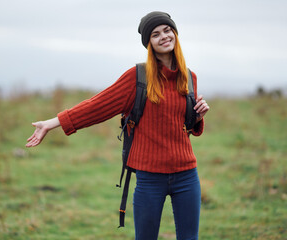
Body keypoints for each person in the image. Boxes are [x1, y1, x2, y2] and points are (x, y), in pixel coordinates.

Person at [26, 11, 209, 240]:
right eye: (155, 34)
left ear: (175, 33)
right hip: (150, 178)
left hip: (187, 175)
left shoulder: (189, 77)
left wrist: (198, 116)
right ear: (148, 43)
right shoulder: (137, 77)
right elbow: (97, 106)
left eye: (167, 30)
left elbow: (185, 125)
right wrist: (52, 123)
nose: (163, 36)